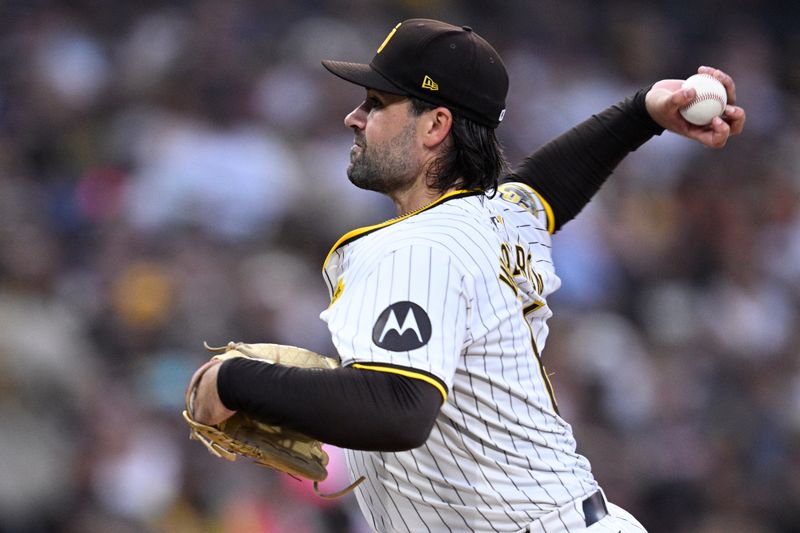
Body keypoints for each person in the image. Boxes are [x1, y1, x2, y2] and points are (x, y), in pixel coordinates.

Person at [188, 18, 745, 532]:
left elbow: (400, 410)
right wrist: (642, 112)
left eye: (377, 103)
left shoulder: (416, 246)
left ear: (435, 125)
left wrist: (235, 381)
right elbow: (549, 185)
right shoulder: (494, 215)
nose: (353, 117)